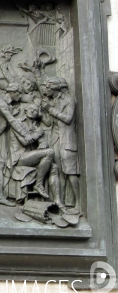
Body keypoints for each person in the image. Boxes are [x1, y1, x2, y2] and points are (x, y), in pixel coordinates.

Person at [0, 83, 40, 206]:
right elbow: (11, 120)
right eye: (19, 93)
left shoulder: (4, 101)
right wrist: (25, 134)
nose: (20, 96)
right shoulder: (1, 102)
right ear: (12, 92)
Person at [41, 77, 80, 211]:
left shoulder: (68, 100)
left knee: (70, 172)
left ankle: (78, 203)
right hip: (56, 139)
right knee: (57, 171)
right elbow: (50, 123)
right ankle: (60, 202)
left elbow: (68, 118)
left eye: (48, 88)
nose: (46, 90)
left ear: (55, 88)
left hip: (67, 140)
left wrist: (50, 109)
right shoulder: (53, 100)